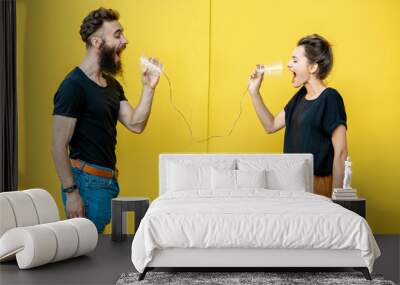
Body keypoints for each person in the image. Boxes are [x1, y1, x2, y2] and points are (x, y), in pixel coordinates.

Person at [51, 7, 161, 232]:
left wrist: (149, 88)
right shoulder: (73, 86)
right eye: (118, 35)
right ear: (97, 42)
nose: (125, 40)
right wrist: (71, 193)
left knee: (94, 252)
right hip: (85, 184)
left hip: (107, 183)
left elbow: (135, 124)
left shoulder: (112, 86)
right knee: (85, 255)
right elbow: (57, 144)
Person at [248, 34, 348, 197]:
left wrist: (337, 199)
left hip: (317, 188)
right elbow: (270, 125)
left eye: (295, 60)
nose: (288, 64)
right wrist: (254, 92)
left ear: (312, 67)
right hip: (291, 186)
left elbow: (341, 152)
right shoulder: (300, 97)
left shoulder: (330, 98)